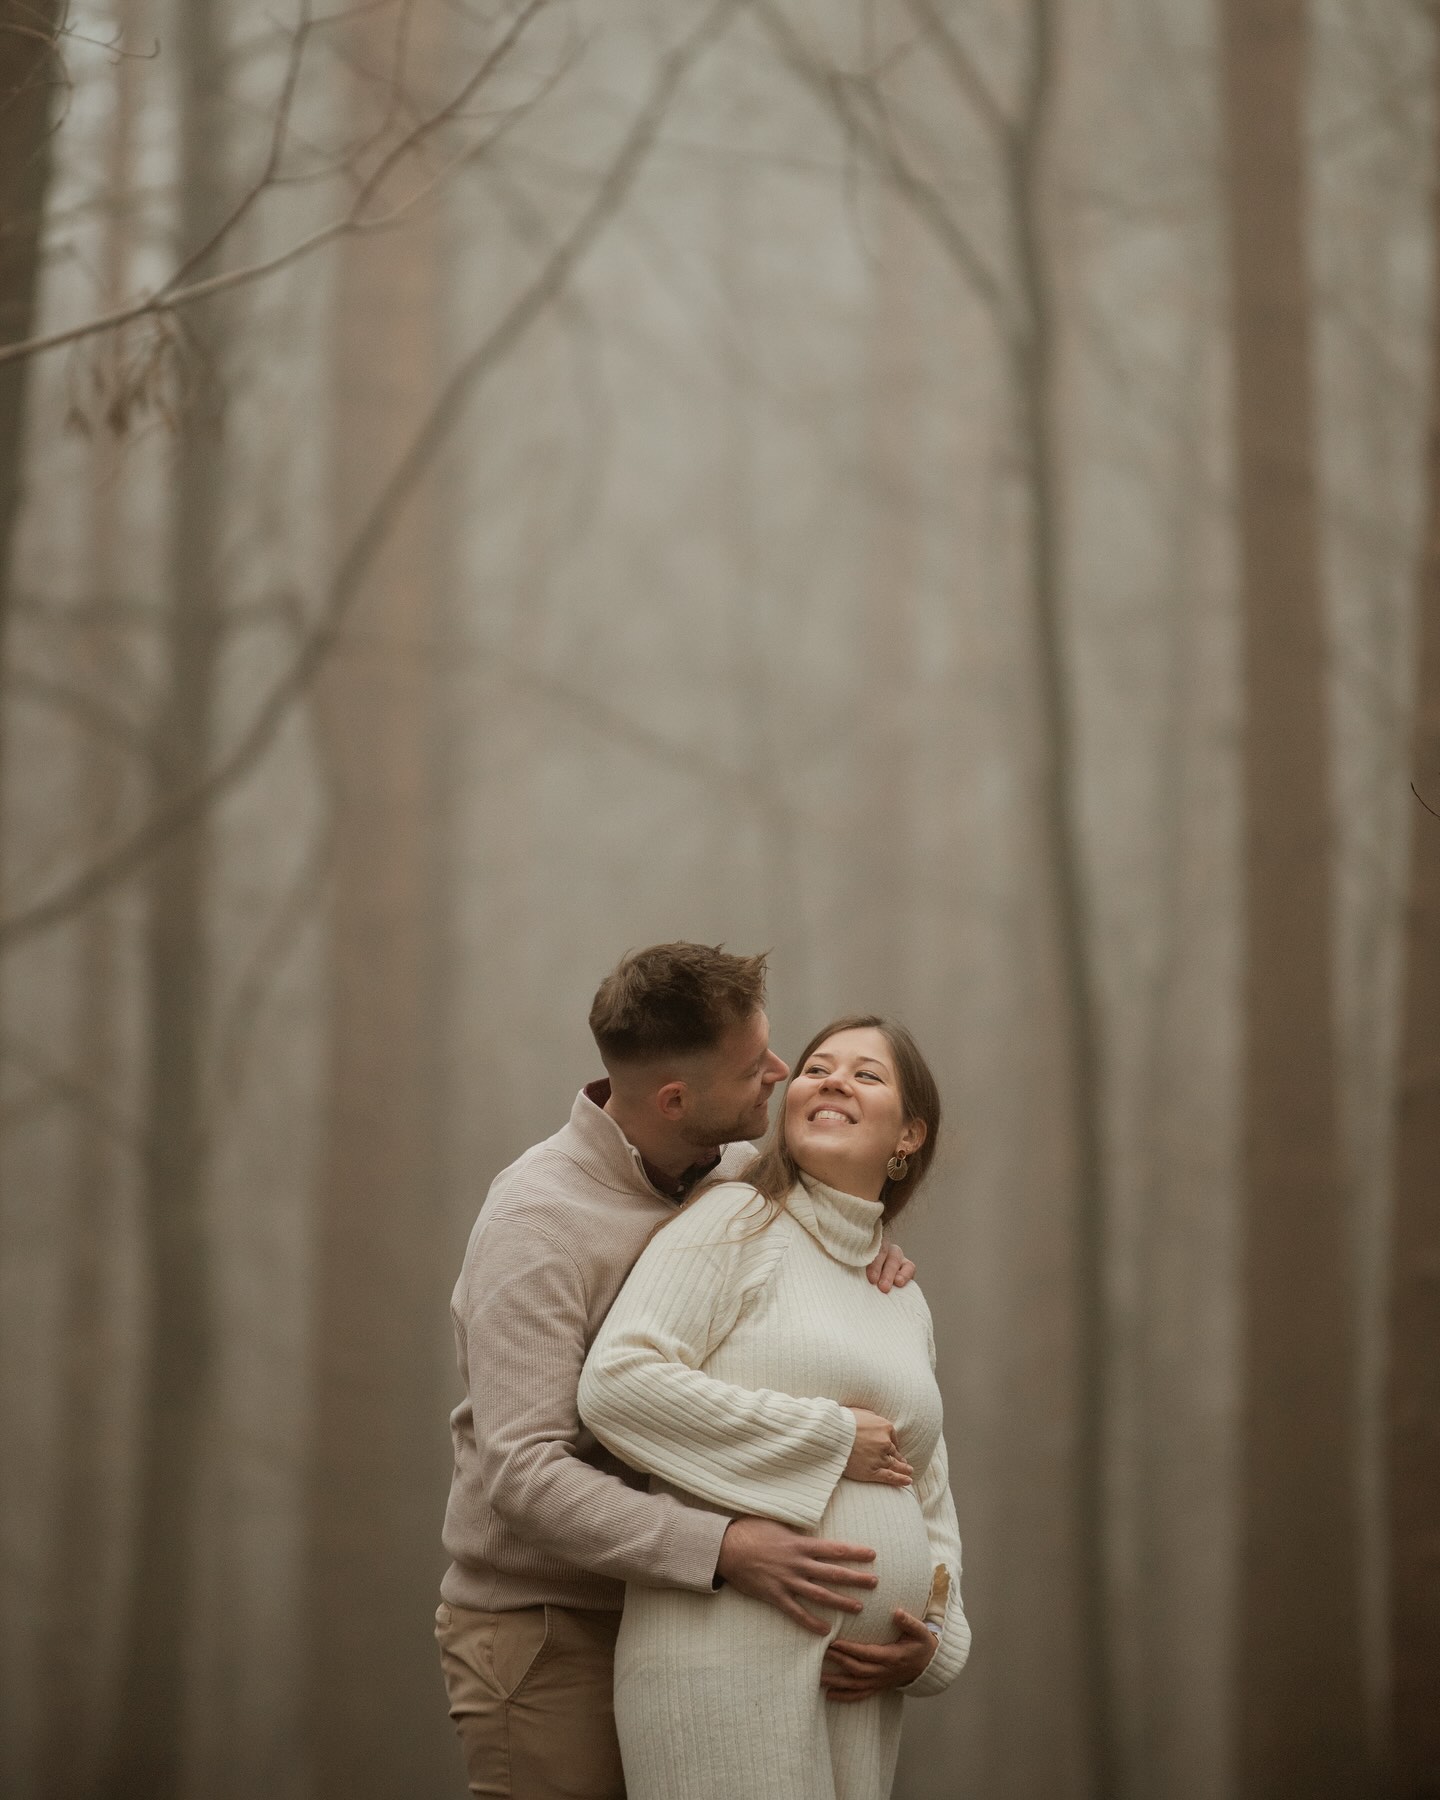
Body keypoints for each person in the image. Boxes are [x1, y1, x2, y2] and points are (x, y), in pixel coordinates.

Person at [435, 946, 918, 1800]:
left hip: (693, 1629)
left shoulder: (730, 1173)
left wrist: (868, 1259)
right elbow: (525, 1474)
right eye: (754, 1067)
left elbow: (820, 1227)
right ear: (675, 1100)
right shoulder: (535, 1225)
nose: (779, 1073)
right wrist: (726, 1548)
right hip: (552, 1634)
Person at [577, 1014, 970, 1800]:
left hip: (858, 1691)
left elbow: (925, 1491)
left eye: (866, 1075)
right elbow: (618, 1384)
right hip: (723, 1662)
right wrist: (826, 1439)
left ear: (909, 1135)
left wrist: (935, 1641)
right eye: (819, 1068)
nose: (831, 1081)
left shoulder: (901, 1296)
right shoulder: (734, 1223)